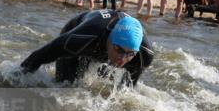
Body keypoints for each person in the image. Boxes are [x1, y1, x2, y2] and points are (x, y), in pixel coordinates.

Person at [19, 11, 154, 87]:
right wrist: (16, 77)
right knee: (64, 88)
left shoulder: (143, 56)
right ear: (110, 39)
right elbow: (39, 56)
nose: (123, 59)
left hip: (102, 45)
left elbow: (128, 90)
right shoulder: (82, 38)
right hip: (78, 28)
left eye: (130, 54)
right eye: (119, 49)